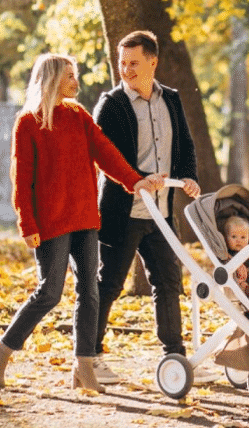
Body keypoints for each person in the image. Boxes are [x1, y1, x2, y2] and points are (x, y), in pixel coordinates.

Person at [0, 54, 163, 392]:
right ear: (51, 79)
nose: (76, 82)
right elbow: (22, 181)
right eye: (69, 76)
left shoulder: (78, 115)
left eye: (75, 75)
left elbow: (105, 151)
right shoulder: (28, 123)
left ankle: (83, 367)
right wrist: (27, 224)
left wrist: (134, 180)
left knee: (90, 292)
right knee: (49, 293)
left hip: (84, 218)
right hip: (50, 223)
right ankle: (2, 350)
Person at [92, 30, 202, 385]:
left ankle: (175, 358)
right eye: (122, 63)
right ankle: (89, 357)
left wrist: (188, 178)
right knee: (109, 283)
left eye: (134, 63)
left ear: (153, 62)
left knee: (169, 282)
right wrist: (139, 178)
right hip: (123, 210)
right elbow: (107, 159)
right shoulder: (111, 104)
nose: (126, 70)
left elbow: (184, 145)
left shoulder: (170, 99)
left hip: (162, 212)